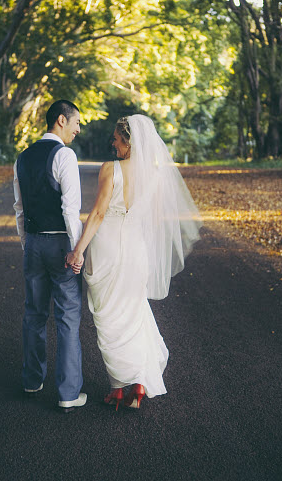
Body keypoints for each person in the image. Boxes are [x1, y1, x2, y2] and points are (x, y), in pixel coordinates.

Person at [66, 114, 201, 410]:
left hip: (108, 247)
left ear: (128, 142)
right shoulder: (153, 176)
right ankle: (138, 382)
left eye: (116, 139)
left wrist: (78, 250)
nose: (112, 143)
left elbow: (99, 214)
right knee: (134, 313)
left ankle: (118, 386)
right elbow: (153, 220)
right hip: (136, 248)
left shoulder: (110, 169)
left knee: (109, 317)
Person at [13, 100, 87, 412]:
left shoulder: (22, 157)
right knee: (68, 316)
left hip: (33, 243)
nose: (78, 129)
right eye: (76, 123)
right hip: (61, 246)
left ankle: (32, 380)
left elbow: (19, 208)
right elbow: (71, 210)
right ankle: (68, 393)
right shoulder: (64, 155)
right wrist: (77, 249)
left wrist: (25, 244)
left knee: (34, 314)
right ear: (61, 120)